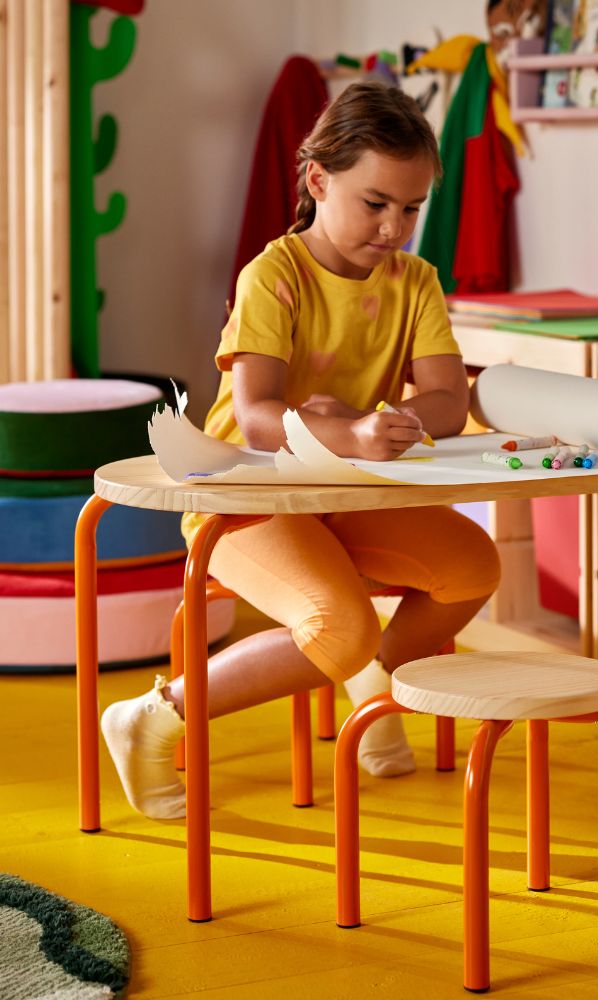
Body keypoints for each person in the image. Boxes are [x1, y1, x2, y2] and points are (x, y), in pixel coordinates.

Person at [101, 81, 501, 820]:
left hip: (345, 494)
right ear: (319, 180)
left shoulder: (416, 282)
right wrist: (348, 432)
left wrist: (382, 421)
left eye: (411, 209)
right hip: (241, 498)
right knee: (339, 624)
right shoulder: (273, 276)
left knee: (473, 566)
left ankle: (371, 683)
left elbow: (448, 402)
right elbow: (256, 420)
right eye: (375, 203)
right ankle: (151, 716)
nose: (394, 228)